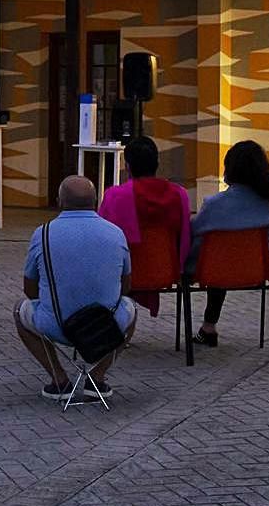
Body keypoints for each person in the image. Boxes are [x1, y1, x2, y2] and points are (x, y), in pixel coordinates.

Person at [16, 176, 137, 401]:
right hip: (104, 327)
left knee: (19, 310)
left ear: (59, 201)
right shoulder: (115, 233)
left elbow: (29, 288)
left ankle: (59, 379)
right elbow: (126, 286)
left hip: (57, 326)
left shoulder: (42, 233)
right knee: (131, 308)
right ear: (96, 201)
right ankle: (97, 378)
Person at [186, 140, 269, 347]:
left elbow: (195, 232)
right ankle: (208, 327)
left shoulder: (214, 205)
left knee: (217, 257)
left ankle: (208, 327)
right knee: (227, 257)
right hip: (259, 270)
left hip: (214, 271)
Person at [97, 136, 192, 316]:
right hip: (167, 270)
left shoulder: (115, 196)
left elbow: (102, 239)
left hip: (126, 274)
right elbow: (185, 237)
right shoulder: (179, 194)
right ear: (157, 163)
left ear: (127, 165)